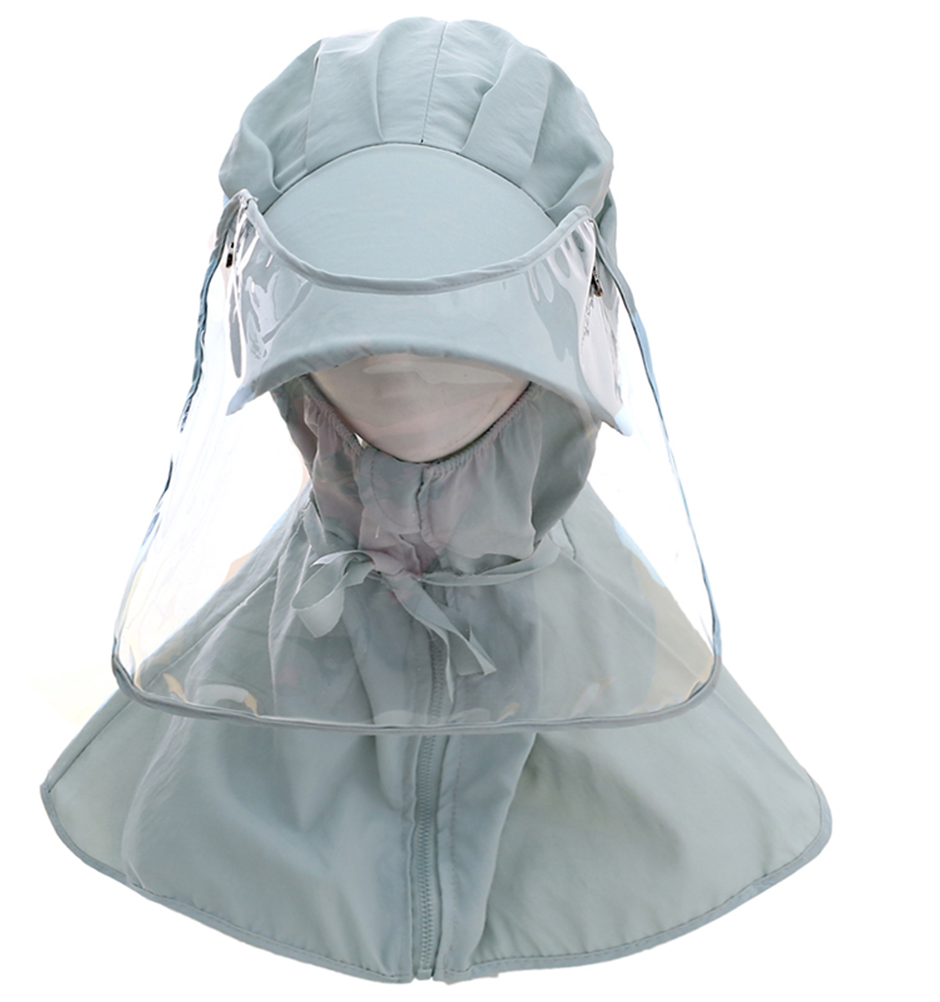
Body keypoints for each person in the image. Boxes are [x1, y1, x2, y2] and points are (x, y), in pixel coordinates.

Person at [42, 17, 830, 983]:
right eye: (352, 329)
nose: (399, 360)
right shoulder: (181, 774)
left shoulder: (702, 803)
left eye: (463, 330)